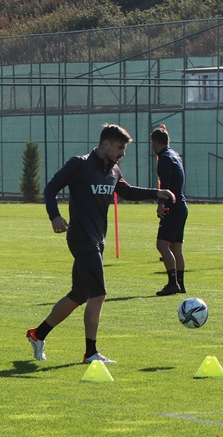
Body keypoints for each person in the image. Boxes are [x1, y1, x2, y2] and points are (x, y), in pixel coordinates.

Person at [27, 124, 175, 364]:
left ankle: (37, 334)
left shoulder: (113, 170)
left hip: (98, 239)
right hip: (81, 238)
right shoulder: (80, 163)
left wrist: (157, 193)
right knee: (99, 294)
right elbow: (51, 187)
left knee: (79, 294)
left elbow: (126, 191)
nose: (122, 153)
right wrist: (54, 215)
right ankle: (90, 353)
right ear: (105, 144)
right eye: (120, 147)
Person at [151, 125, 189, 295]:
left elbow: (165, 182)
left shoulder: (164, 158)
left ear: (154, 142)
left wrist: (161, 203)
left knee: (162, 244)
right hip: (181, 205)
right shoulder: (175, 155)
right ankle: (180, 284)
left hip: (172, 205)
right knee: (176, 248)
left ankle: (173, 283)